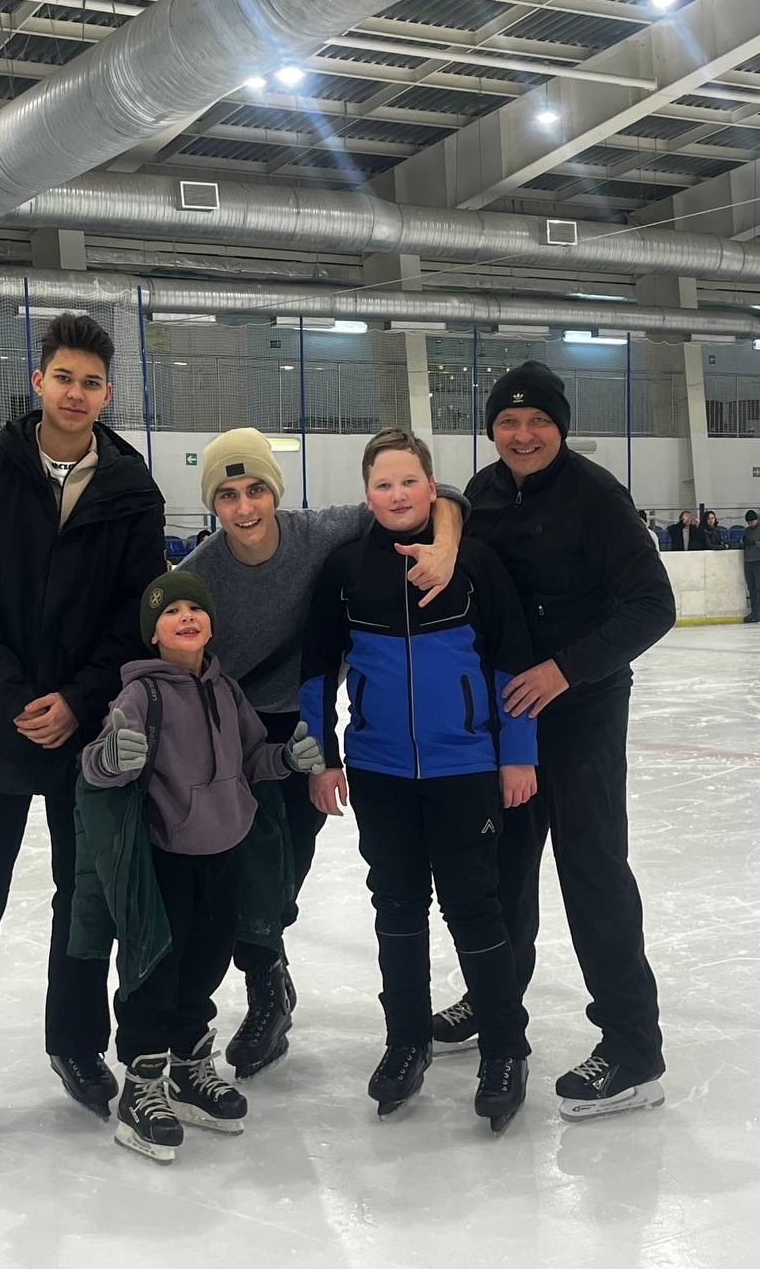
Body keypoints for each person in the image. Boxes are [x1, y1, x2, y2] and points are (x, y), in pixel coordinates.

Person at [0, 313, 166, 1140]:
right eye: (64, 378)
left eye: (91, 383)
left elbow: (136, 613)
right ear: (38, 382)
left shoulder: (133, 489)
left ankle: (77, 1044)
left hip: (84, 733)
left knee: (83, 900)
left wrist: (80, 702)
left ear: (107, 394)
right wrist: (16, 698)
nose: (75, 394)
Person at [180, 427, 467, 1079]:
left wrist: (447, 543)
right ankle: (267, 992)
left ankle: (270, 970)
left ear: (275, 492)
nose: (245, 507)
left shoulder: (319, 533)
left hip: (304, 725)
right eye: (228, 495)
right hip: (229, 736)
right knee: (241, 873)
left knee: (286, 870)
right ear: (213, 504)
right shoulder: (200, 574)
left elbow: (437, 493)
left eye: (256, 489)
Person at [432, 360, 677, 1122]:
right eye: (509, 421)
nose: (523, 434)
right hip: (509, 715)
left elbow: (654, 605)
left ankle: (633, 1049)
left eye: (538, 420)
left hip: (582, 710)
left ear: (561, 427)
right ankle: (495, 999)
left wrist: (565, 670)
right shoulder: (484, 492)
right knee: (503, 867)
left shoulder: (596, 497)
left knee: (591, 869)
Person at [300, 429, 537, 1129]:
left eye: (409, 481)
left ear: (433, 488)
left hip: (466, 767)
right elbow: (316, 672)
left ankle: (505, 1048)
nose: (398, 494)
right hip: (379, 771)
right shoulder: (345, 569)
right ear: (367, 495)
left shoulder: (476, 562)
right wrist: (323, 758)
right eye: (384, 483)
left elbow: (512, 660)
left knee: (474, 907)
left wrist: (517, 754)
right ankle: (406, 1041)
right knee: (397, 907)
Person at [77, 571, 323, 1164]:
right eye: (171, 611)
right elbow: (96, 765)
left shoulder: (226, 690)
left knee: (207, 962)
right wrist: (112, 757)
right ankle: (142, 1085)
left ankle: (189, 1066)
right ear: (153, 632)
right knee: (155, 970)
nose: (186, 617)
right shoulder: (141, 695)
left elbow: (252, 758)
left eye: (195, 607)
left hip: (224, 850)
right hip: (166, 856)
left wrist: (287, 760)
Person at [742, 509, 760, 624]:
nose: (750, 524)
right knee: (751, 588)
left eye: (752, 522)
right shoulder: (747, 531)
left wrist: (755, 543)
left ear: (756, 520)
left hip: (759, 561)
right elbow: (745, 543)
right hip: (748, 561)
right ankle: (754, 612)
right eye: (748, 522)